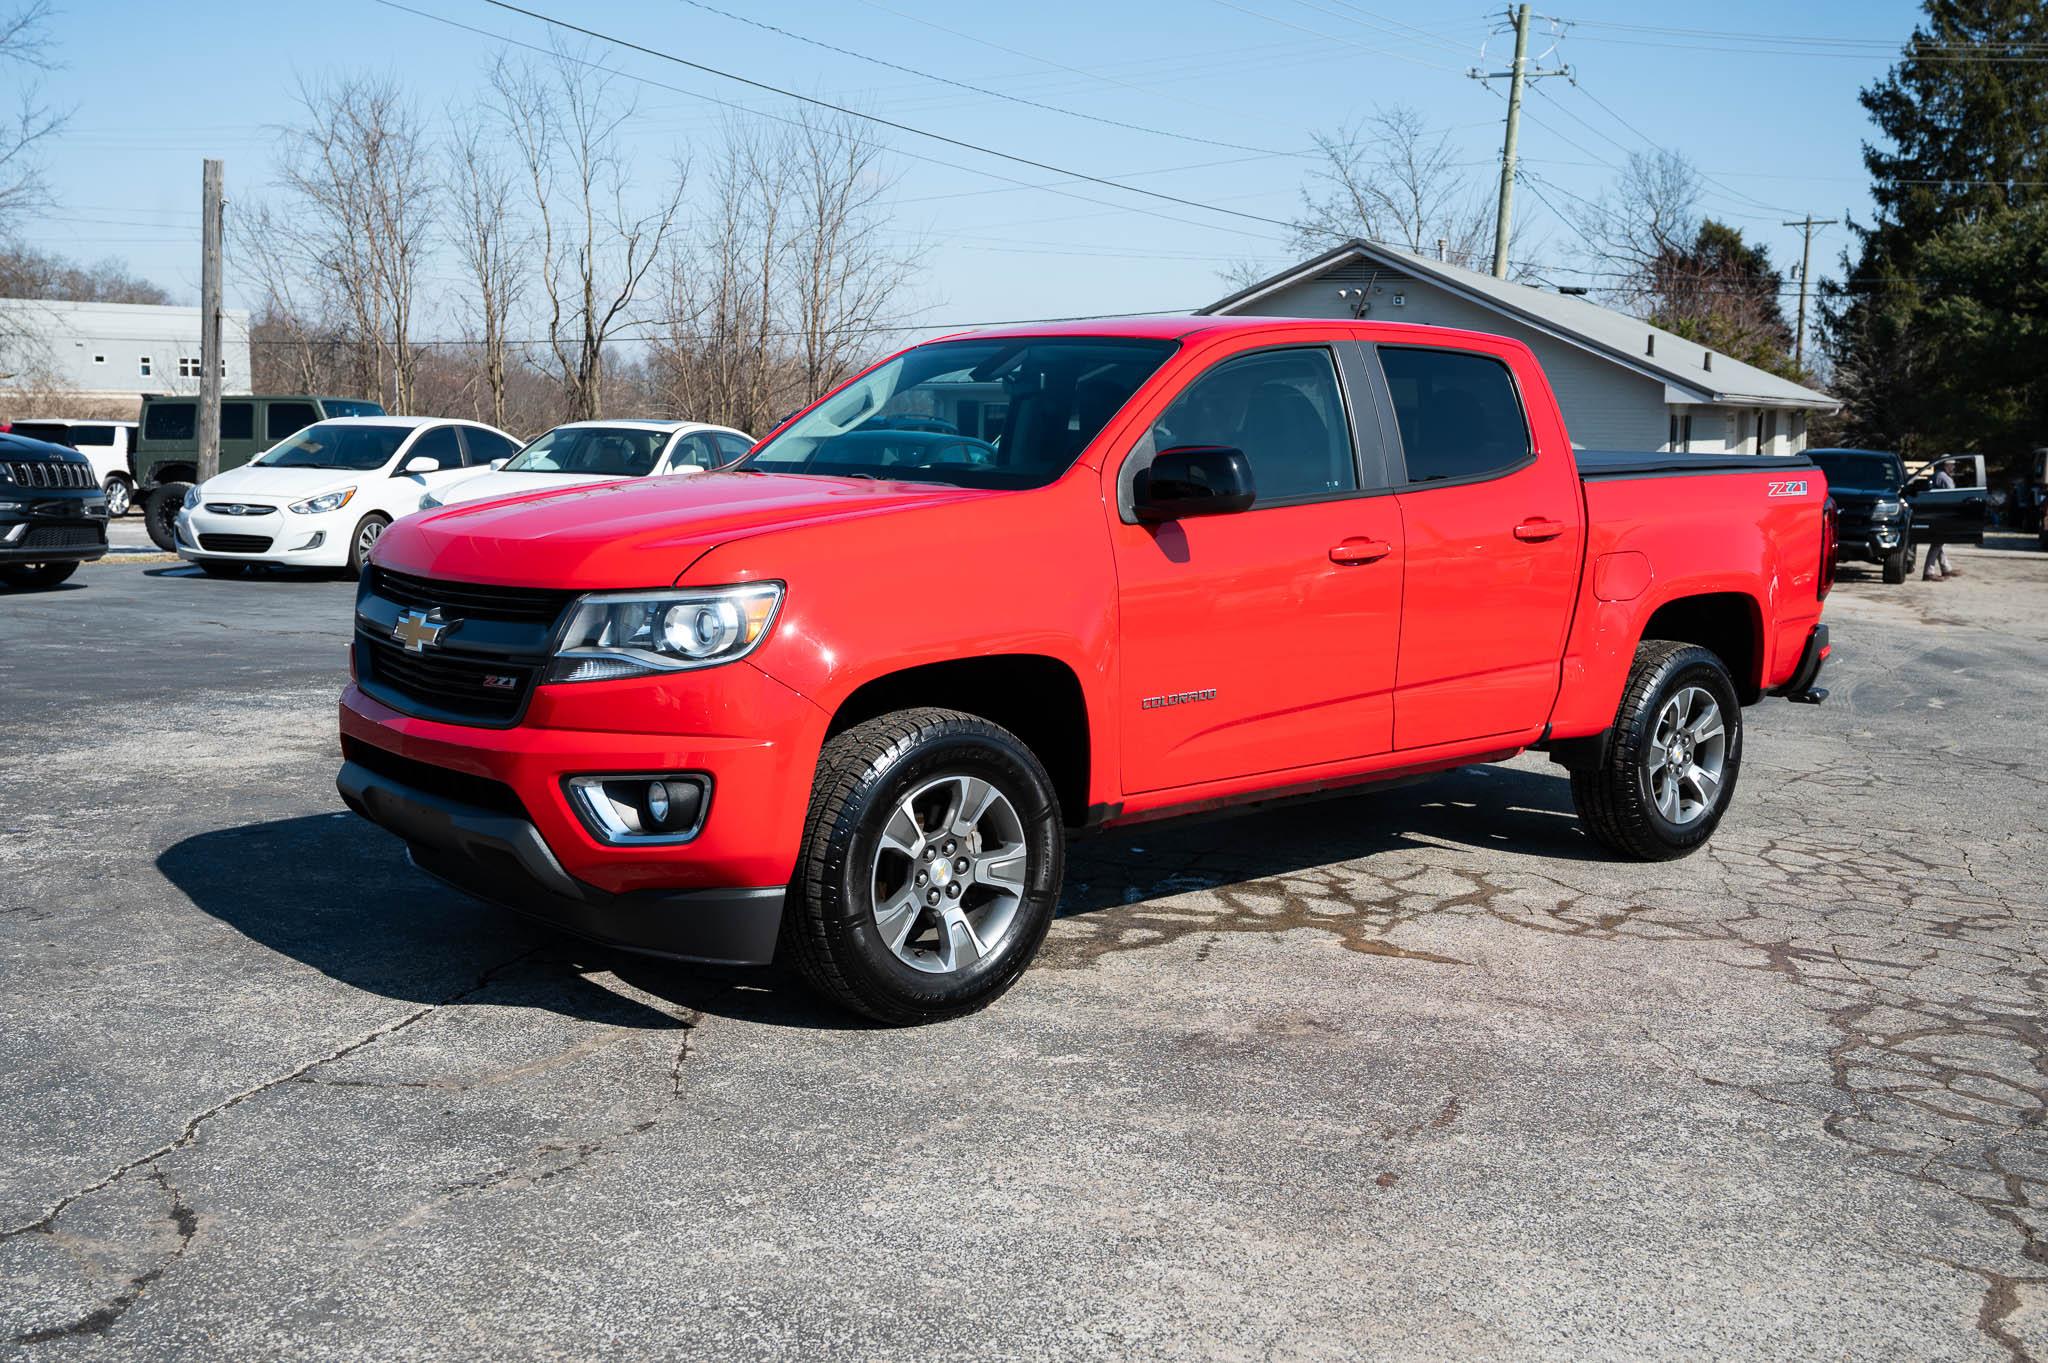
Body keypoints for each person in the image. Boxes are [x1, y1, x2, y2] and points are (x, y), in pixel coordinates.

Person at [1922, 458, 1959, 581]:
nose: (1953, 467)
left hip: (1935, 512)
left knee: (1938, 542)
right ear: (1946, 465)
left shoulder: (1936, 475)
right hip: (1942, 513)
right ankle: (1928, 572)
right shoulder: (1944, 477)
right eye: (1952, 465)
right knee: (1937, 541)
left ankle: (1946, 568)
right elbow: (1953, 496)